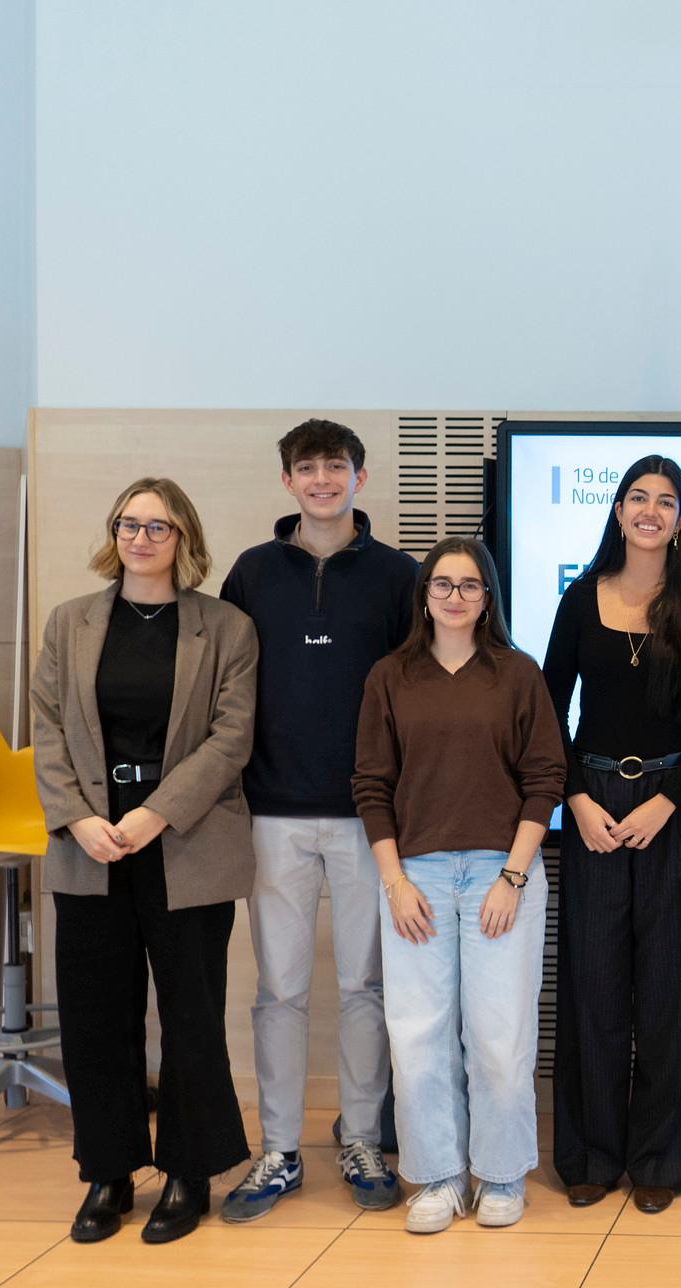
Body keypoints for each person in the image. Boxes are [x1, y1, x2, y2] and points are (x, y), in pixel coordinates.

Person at [31, 477, 257, 1245]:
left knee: (191, 1014)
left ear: (183, 537)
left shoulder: (225, 626)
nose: (141, 538)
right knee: (97, 1014)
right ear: (113, 532)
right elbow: (48, 729)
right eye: (129, 524)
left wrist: (156, 812)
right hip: (91, 845)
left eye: (158, 527)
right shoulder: (70, 623)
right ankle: (109, 1170)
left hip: (184, 839)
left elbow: (232, 736)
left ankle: (189, 1170)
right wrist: (78, 817)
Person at [217, 418, 417, 1224]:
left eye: (337, 466)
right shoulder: (252, 573)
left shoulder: (401, 575)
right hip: (273, 812)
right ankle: (278, 1150)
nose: (323, 479)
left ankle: (364, 1137)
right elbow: (223, 688)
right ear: (288, 481)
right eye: (309, 468)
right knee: (280, 991)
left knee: (366, 986)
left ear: (360, 479)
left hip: (373, 818)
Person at [542, 456, 681, 1214]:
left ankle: (660, 1157)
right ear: (618, 511)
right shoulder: (578, 599)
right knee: (592, 985)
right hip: (591, 801)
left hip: (675, 806)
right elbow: (546, 714)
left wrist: (667, 800)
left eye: (666, 501)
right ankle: (590, 1153)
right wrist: (576, 799)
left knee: (669, 985)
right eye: (638, 498)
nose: (650, 510)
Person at [353, 536, 566, 1234]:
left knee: (499, 1035)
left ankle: (502, 1173)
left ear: (488, 596)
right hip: (415, 876)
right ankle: (440, 1175)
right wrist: (394, 881)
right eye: (441, 584)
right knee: (419, 1035)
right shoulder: (391, 675)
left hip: (502, 874)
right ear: (424, 595)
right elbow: (371, 785)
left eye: (469, 585)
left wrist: (511, 874)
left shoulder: (517, 673)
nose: (454, 596)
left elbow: (545, 780)